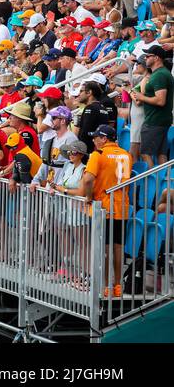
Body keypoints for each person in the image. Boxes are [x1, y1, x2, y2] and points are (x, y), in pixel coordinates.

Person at [82, 124, 133, 298]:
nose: (94, 140)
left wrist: (88, 197)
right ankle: (118, 285)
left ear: (104, 139)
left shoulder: (99, 154)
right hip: (122, 206)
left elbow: (88, 179)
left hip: (102, 207)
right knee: (118, 247)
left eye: (96, 137)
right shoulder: (126, 155)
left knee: (103, 248)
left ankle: (104, 286)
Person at [132, 45, 172, 167]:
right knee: (161, 153)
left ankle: (151, 182)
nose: (145, 58)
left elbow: (160, 101)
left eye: (148, 56)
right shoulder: (161, 73)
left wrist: (141, 97)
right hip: (159, 119)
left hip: (155, 120)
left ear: (157, 58)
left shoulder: (159, 75)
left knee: (145, 153)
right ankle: (160, 182)